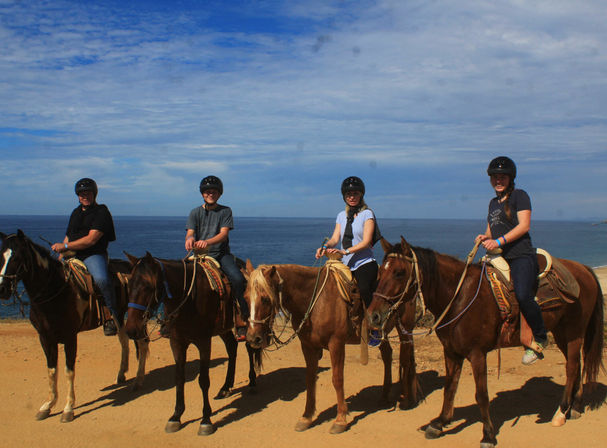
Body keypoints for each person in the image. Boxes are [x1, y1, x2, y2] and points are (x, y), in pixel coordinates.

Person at [475, 156, 548, 365]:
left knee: (523, 294)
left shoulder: (519, 196)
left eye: (502, 177)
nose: (498, 180)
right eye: (495, 177)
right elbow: (491, 230)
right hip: (499, 256)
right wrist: (485, 237)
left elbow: (524, 226)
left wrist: (499, 240)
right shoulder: (492, 203)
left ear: (510, 178)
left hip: (520, 255)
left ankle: (540, 337)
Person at [315, 176, 381, 346]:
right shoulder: (341, 215)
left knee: (365, 288)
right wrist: (325, 247)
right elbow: (335, 238)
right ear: (344, 196)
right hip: (345, 264)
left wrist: (345, 251)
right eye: (349, 194)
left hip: (364, 262)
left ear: (361, 195)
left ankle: (375, 328)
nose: (352, 197)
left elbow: (366, 242)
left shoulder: (368, 214)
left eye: (355, 193)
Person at [51, 178, 119, 336]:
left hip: (93, 254)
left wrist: (66, 247)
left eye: (87, 193)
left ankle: (111, 316)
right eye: (81, 194)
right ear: (78, 195)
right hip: (73, 253)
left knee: (101, 279)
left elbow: (91, 239)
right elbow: (69, 235)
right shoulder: (75, 213)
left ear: (94, 194)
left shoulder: (102, 212)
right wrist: (61, 254)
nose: (84, 196)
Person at [185, 175, 248, 341]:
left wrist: (206, 242)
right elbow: (190, 232)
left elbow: (223, 234)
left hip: (220, 255)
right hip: (199, 256)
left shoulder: (225, 211)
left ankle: (242, 320)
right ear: (202, 194)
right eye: (207, 192)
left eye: (213, 191)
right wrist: (189, 240)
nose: (210, 194)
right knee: (178, 278)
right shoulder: (194, 213)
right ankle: (171, 321)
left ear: (219, 194)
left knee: (238, 280)